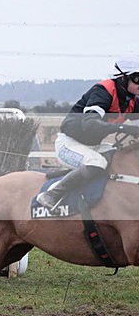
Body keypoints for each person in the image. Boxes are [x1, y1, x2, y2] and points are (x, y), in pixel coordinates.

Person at [36, 56, 139, 210]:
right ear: (123, 78)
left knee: (119, 158)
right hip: (69, 145)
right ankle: (51, 194)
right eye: (137, 78)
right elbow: (89, 124)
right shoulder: (103, 91)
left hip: (94, 146)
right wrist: (123, 128)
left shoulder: (132, 100)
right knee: (97, 163)